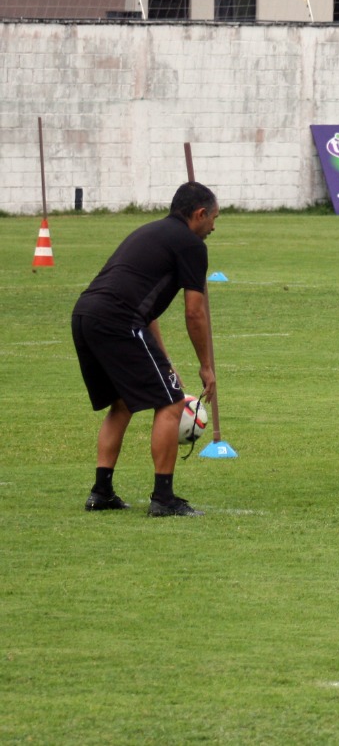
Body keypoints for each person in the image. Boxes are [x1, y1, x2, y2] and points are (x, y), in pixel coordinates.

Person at [72, 182, 219, 517]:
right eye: (213, 218)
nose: (214, 227)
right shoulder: (192, 246)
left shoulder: (149, 231)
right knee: (171, 402)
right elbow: (195, 312)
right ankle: (163, 499)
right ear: (199, 214)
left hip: (85, 314)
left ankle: (102, 491)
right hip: (117, 320)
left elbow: (146, 310)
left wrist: (164, 362)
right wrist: (206, 366)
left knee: (121, 404)